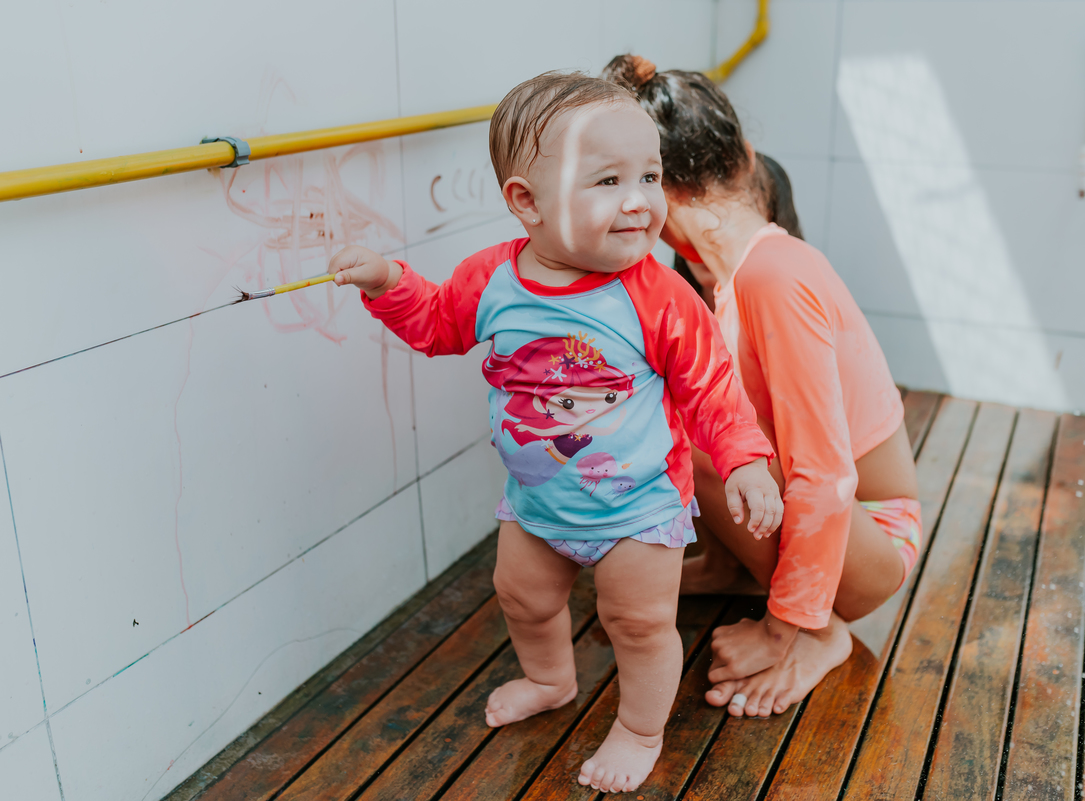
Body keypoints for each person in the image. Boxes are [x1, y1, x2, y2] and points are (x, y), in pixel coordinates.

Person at [326, 71, 784, 793]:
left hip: (638, 509)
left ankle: (638, 728)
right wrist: (390, 283)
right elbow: (442, 323)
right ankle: (549, 677)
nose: (639, 201)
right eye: (607, 180)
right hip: (538, 503)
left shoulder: (656, 296)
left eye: (649, 175)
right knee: (523, 597)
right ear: (525, 202)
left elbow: (711, 386)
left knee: (635, 623)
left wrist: (747, 462)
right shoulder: (493, 280)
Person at [605, 55, 922, 720]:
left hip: (873, 542)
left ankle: (819, 631)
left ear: (657, 193)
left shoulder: (773, 275)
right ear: (745, 158)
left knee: (697, 434)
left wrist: (786, 628)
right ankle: (732, 569)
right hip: (843, 531)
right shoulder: (734, 276)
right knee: (687, 408)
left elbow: (829, 477)